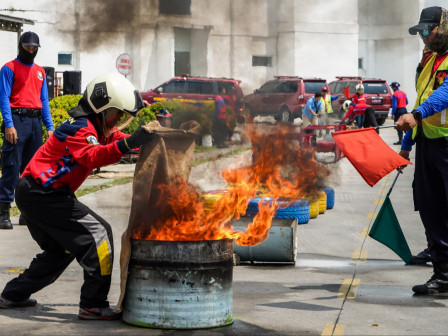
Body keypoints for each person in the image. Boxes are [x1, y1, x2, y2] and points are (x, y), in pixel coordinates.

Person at [0, 73, 156, 318]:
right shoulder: (80, 129)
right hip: (42, 195)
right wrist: (130, 143)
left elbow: (118, 140)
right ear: (102, 109)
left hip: (38, 194)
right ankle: (93, 304)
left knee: (61, 250)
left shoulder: (96, 128)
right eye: (117, 114)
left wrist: (143, 139)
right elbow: (95, 155)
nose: (118, 121)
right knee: (99, 234)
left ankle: (13, 295)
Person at [395, 5, 448, 294]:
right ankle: (443, 274)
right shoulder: (429, 61)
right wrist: (406, 146)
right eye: (421, 32)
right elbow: (423, 98)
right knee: (431, 209)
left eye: (429, 30)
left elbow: (445, 93)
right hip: (429, 143)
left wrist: (416, 114)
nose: (425, 36)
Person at [0, 31, 54, 230]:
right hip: (16, 119)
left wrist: (49, 127)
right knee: (12, 166)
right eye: (27, 47)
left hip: (35, 123)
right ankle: (3, 212)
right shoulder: (8, 68)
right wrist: (9, 124)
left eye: (34, 48)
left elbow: (44, 101)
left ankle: (27, 212)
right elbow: (4, 98)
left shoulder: (40, 71)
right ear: (20, 45)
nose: (30, 50)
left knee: (31, 170)